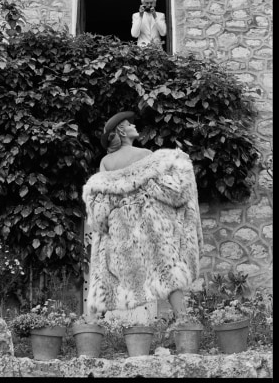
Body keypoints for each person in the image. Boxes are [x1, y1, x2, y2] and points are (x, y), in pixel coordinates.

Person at [82, 111, 203, 320]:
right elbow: (168, 190)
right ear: (121, 130)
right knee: (167, 271)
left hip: (120, 228)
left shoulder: (105, 162)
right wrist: (181, 162)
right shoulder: (146, 155)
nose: (135, 127)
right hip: (150, 226)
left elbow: (100, 204)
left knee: (109, 278)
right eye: (130, 124)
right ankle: (183, 322)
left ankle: (92, 328)